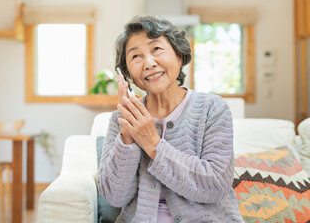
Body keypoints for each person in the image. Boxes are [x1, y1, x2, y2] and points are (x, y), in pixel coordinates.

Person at [97, 15, 243, 223]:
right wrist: (128, 136)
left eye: (156, 49)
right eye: (135, 57)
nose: (148, 63)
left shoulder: (212, 108)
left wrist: (152, 143)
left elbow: (216, 186)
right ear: (127, 74)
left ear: (179, 56)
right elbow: (113, 196)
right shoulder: (120, 119)